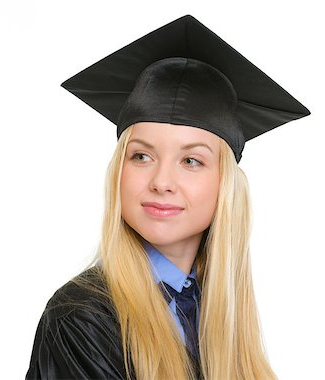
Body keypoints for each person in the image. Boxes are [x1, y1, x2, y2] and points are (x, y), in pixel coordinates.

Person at [25, 15, 310, 380]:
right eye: (141, 156)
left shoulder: (214, 310)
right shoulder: (81, 317)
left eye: (191, 160)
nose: (162, 181)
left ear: (225, 184)